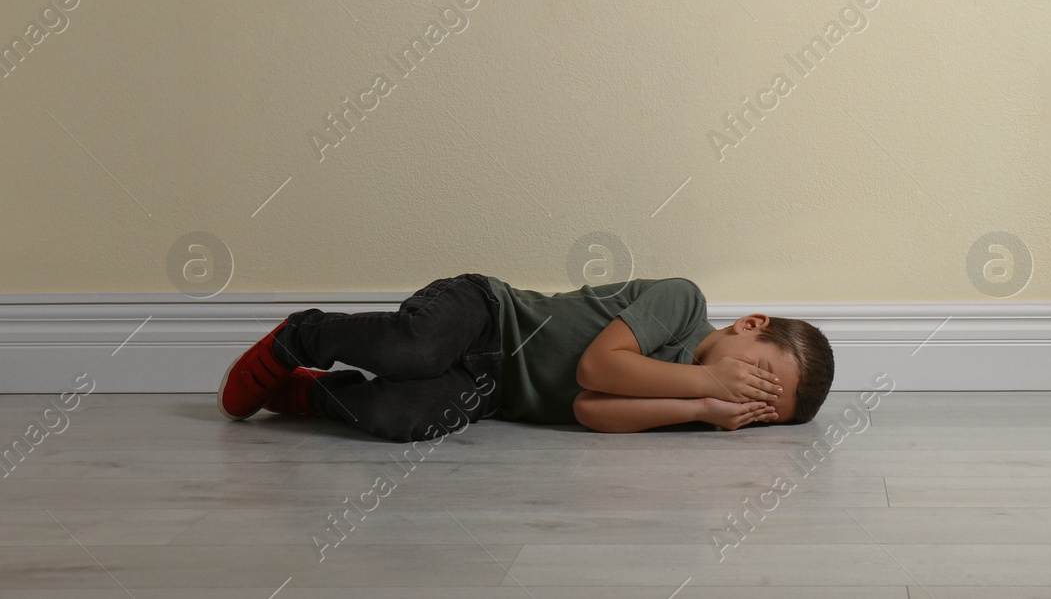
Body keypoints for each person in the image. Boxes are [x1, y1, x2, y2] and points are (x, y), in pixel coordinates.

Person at [216, 273, 834, 441]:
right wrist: (705, 377)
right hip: (486, 316)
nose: (743, 392)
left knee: (403, 417)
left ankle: (301, 394)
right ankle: (300, 338)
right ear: (751, 325)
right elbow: (598, 368)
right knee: (415, 347)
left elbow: (591, 409)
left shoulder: (695, 403)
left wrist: (702, 406)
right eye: (759, 375)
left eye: (760, 406)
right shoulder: (682, 303)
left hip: (491, 390)